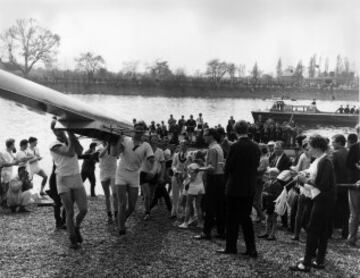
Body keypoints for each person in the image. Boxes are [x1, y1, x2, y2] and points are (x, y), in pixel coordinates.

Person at [290, 135, 336, 272]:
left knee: (313, 230)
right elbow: (313, 173)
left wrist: (305, 181)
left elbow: (323, 185)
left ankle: (306, 263)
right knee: (321, 231)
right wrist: (304, 173)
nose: (308, 148)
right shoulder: (320, 160)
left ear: (316, 147)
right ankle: (319, 260)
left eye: (310, 145)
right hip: (323, 199)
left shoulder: (325, 162)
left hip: (323, 200)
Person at [216, 120, 260, 258]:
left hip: (234, 187)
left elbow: (228, 168)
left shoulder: (235, 147)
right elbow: (256, 165)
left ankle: (231, 247)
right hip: (249, 187)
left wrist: (224, 167)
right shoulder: (255, 147)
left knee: (231, 219)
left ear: (235, 131)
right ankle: (251, 249)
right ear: (247, 130)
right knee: (246, 218)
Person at [49, 122, 88, 249]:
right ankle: (72, 239)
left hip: (76, 177)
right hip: (62, 179)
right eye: (56, 130)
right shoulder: (53, 144)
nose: (59, 131)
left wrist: (72, 136)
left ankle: (76, 228)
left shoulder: (69, 139)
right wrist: (71, 134)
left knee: (83, 209)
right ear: (54, 131)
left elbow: (79, 151)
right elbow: (70, 153)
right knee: (69, 211)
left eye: (61, 128)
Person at [112, 121, 154, 235]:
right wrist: (115, 140)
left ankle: (120, 220)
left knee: (131, 207)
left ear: (144, 131)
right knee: (122, 203)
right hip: (121, 174)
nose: (139, 130)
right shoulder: (125, 140)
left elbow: (151, 159)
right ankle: (121, 227)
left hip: (134, 176)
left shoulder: (146, 145)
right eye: (137, 128)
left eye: (141, 129)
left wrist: (151, 167)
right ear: (133, 129)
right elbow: (114, 154)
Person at [194, 128, 225, 240]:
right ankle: (221, 232)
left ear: (211, 136)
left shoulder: (212, 149)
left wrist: (199, 169)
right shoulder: (219, 147)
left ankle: (206, 232)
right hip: (221, 178)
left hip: (214, 178)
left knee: (209, 206)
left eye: (205, 135)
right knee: (220, 206)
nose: (203, 137)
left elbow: (211, 168)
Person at [140, 136, 166, 220]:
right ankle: (147, 212)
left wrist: (162, 176)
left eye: (156, 140)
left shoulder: (160, 151)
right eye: (153, 140)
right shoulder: (145, 149)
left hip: (154, 175)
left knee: (151, 195)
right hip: (144, 173)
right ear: (150, 141)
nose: (155, 141)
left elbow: (163, 164)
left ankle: (147, 210)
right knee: (147, 194)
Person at [291, 140, 312, 241]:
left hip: (310, 186)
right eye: (307, 149)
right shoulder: (304, 156)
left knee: (305, 211)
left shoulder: (307, 156)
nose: (308, 151)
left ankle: (302, 233)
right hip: (304, 186)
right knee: (300, 211)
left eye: (309, 149)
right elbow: (298, 170)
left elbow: (297, 170)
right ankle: (297, 233)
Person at [330, 134, 349, 239]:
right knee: (346, 211)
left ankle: (330, 232)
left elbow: (331, 170)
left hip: (336, 185)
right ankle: (345, 233)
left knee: (332, 209)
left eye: (333, 142)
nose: (332, 144)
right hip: (348, 186)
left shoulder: (335, 154)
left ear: (339, 142)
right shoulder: (350, 152)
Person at [178, 162, 205, 229]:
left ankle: (185, 223)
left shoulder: (191, 166)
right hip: (201, 186)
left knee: (188, 205)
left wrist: (188, 177)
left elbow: (192, 178)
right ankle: (200, 223)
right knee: (198, 206)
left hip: (193, 186)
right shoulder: (200, 167)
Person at [346, 132, 360, 247]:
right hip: (354, 185)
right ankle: (351, 239)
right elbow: (348, 166)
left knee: (354, 214)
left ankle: (353, 238)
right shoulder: (354, 148)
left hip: (355, 184)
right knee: (354, 214)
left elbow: (349, 166)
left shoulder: (353, 148)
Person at [98, 142, 118, 224]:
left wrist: (112, 146)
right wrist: (107, 146)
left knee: (114, 194)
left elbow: (117, 155)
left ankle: (116, 213)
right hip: (103, 173)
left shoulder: (114, 146)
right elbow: (100, 155)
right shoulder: (99, 147)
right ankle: (109, 213)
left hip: (113, 173)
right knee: (107, 195)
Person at [170, 140, 188, 218]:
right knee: (174, 194)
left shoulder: (190, 155)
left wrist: (185, 174)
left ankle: (182, 212)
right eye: (181, 145)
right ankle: (174, 211)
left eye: (184, 145)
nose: (183, 146)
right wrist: (176, 171)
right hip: (176, 175)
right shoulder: (176, 155)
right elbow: (173, 165)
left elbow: (190, 166)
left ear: (187, 146)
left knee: (183, 195)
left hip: (185, 177)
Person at [0, 139, 19, 207]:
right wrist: (14, 163)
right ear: (11, 145)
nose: (14, 146)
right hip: (4, 172)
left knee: (6, 188)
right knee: (4, 189)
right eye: (13, 144)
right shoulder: (4, 153)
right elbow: (4, 164)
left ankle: (4, 203)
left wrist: (18, 161)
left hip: (9, 172)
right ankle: (3, 203)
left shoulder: (10, 152)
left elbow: (15, 160)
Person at [253, 143, 268, 223]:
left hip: (259, 180)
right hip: (257, 180)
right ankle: (260, 216)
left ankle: (262, 216)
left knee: (255, 200)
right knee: (257, 200)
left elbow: (260, 170)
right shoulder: (261, 157)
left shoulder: (264, 159)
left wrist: (251, 169)